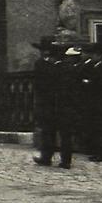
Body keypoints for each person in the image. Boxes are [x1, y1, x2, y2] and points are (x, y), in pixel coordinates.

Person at [32, 38, 77, 168]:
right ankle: (62, 160)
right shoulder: (67, 68)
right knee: (60, 133)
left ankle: (51, 158)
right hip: (60, 106)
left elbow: (40, 87)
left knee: (53, 133)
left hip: (54, 105)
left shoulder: (48, 68)